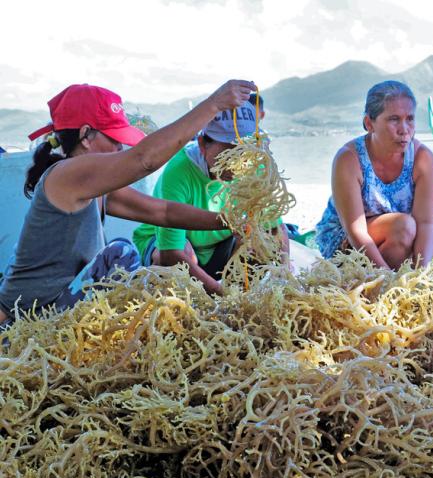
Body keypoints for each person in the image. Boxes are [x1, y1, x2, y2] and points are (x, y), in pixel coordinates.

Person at [0, 79, 256, 324]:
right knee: (121, 253)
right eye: (113, 138)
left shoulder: (92, 187)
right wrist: (214, 104)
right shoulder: (67, 173)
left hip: (55, 307)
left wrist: (227, 221)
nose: (120, 148)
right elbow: (143, 161)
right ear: (86, 136)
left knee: (153, 277)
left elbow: (163, 212)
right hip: (26, 321)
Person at [132, 93, 288, 294]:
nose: (238, 162)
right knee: (180, 261)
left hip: (220, 245)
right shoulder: (179, 171)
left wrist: (284, 273)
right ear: (202, 145)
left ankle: (238, 299)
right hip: (166, 246)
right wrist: (219, 294)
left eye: (244, 150)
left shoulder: (255, 165)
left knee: (260, 243)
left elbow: (275, 228)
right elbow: (172, 253)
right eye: (228, 151)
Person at [315, 80, 433, 271]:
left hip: (401, 237)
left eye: (410, 119)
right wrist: (387, 278)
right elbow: (357, 232)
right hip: (349, 244)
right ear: (369, 123)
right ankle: (387, 287)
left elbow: (426, 223)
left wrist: (419, 274)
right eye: (394, 119)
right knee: (404, 226)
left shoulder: (422, 158)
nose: (404, 129)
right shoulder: (349, 159)